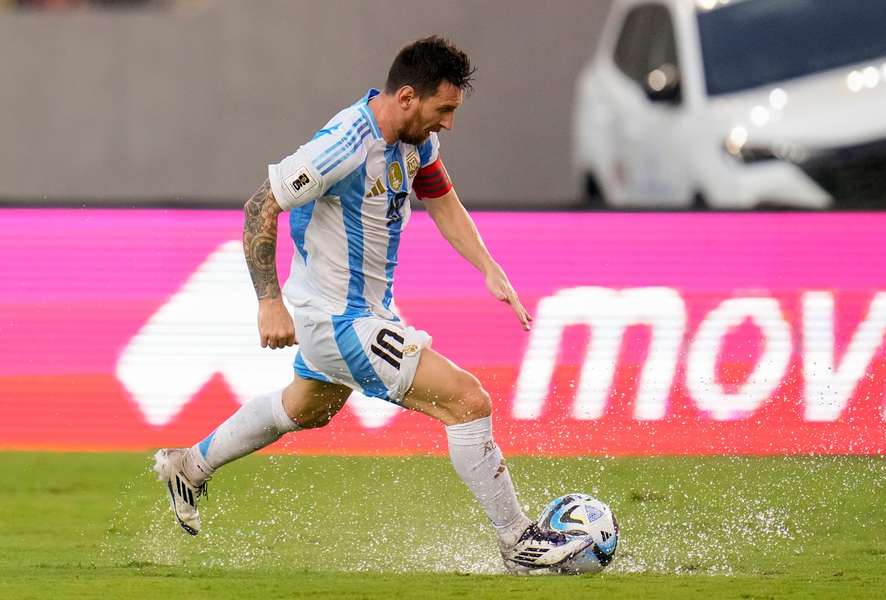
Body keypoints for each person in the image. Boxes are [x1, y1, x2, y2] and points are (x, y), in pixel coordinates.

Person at [152, 36, 588, 573]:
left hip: (365, 313)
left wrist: (489, 269)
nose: (448, 123)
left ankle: (190, 465)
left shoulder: (416, 141)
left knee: (306, 407)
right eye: (443, 110)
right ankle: (519, 541)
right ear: (407, 97)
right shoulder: (343, 144)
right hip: (336, 320)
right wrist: (269, 302)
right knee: (467, 401)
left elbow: (442, 199)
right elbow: (259, 207)